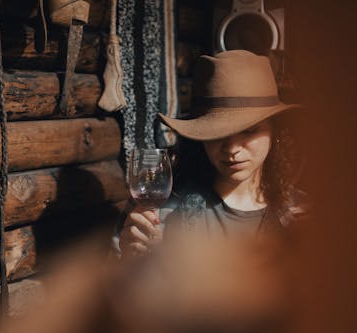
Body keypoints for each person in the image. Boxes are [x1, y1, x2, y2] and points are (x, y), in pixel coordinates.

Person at [119, 50, 310, 257]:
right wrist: (133, 263)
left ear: (274, 131)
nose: (232, 148)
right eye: (217, 134)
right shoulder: (160, 213)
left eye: (249, 130)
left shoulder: (303, 216)